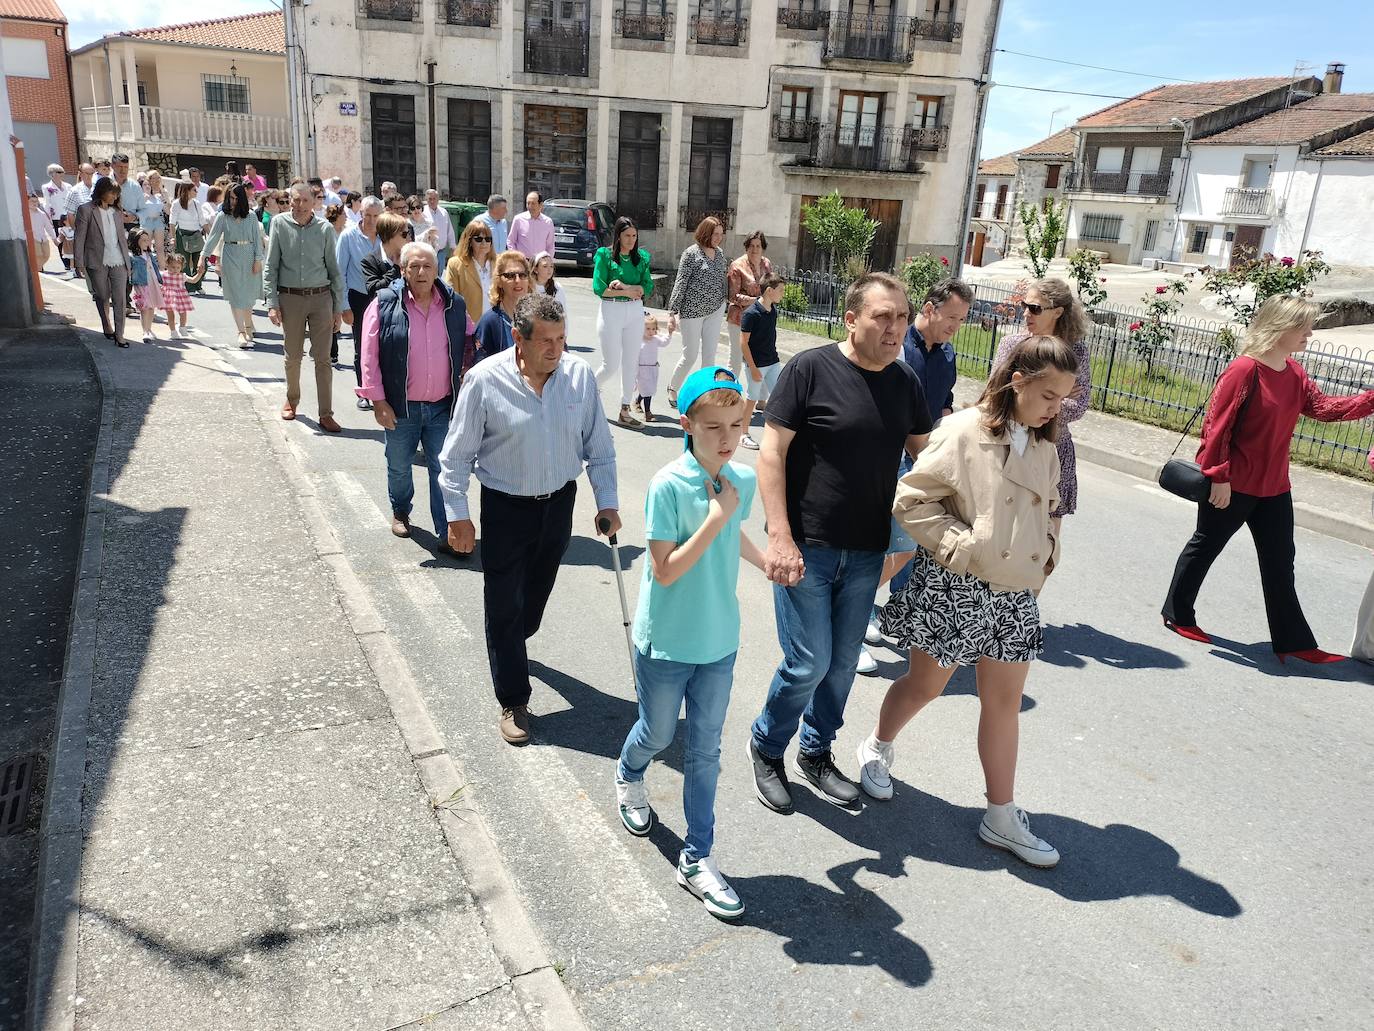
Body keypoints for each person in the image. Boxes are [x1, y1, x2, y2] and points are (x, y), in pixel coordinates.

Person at [862, 335, 1081, 869]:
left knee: (1004, 703)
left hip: (1016, 591)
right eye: (1049, 395)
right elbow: (912, 501)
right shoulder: (960, 430)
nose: (1058, 409)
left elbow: (1049, 510)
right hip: (957, 583)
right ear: (1018, 382)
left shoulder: (1046, 445)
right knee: (925, 685)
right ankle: (877, 744)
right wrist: (964, 548)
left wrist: (1046, 557)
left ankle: (1000, 814)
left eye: (1063, 398)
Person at [745, 272, 932, 813]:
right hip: (807, 544)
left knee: (844, 662)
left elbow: (927, 457)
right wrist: (778, 534)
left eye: (901, 316)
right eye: (882, 316)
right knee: (808, 660)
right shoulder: (810, 369)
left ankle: (816, 750)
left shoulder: (905, 383)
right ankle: (766, 745)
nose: (895, 326)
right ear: (852, 320)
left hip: (867, 550)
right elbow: (772, 453)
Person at [438, 292, 621, 745]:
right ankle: (514, 697)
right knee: (504, 603)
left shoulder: (578, 377)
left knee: (531, 604)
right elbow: (456, 457)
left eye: (561, 339)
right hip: (505, 507)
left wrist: (608, 504)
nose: (556, 350)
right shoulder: (484, 381)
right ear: (519, 339)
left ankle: (511, 643)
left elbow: (599, 449)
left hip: (558, 504)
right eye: (546, 341)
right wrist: (457, 516)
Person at [614, 365, 762, 920]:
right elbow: (667, 568)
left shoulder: (739, 481)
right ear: (687, 425)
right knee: (655, 732)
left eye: (735, 425)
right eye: (713, 428)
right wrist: (718, 514)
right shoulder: (667, 486)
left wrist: (761, 558)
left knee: (705, 752)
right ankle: (630, 773)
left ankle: (696, 857)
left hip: (719, 640)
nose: (726, 439)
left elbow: (731, 530)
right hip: (667, 642)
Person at [1161, 295, 1374, 664]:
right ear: (1280, 328)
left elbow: (1323, 409)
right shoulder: (1245, 370)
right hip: (1234, 484)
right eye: (1303, 326)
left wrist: (1370, 400)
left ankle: (1294, 642)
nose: (1310, 333)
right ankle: (1178, 613)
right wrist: (1219, 477)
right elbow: (1216, 428)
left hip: (1275, 487)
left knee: (1280, 561)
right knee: (1205, 548)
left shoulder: (1294, 373)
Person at [859, 277, 974, 674]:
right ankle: (854, 620)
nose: (955, 326)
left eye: (962, 319)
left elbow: (942, 403)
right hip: (892, 457)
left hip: (927, 458)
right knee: (887, 544)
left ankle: (880, 613)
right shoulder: (899, 350)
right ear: (928, 309)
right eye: (951, 317)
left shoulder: (947, 355)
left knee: (908, 547)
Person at [357, 241, 470, 547]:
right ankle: (400, 511)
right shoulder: (383, 303)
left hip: (441, 407)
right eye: (414, 266)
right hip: (400, 406)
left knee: (442, 468)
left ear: (437, 270)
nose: (421, 272)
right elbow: (369, 357)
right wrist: (378, 401)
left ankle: (446, 529)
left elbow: (472, 340)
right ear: (403, 270)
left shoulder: (453, 304)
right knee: (399, 464)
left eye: (427, 266)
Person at [993, 278, 1090, 532]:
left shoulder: (1076, 352)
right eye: (1025, 305)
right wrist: (1059, 395)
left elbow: (1079, 406)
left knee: (1046, 540)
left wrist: (1035, 397)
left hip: (1056, 447)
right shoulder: (1012, 345)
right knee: (1006, 532)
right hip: (1012, 446)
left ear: (1057, 312)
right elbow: (997, 394)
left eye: (1035, 308)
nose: (1026, 313)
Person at [264, 182, 346, 432]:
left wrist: (337, 308)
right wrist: (272, 303)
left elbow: (334, 270)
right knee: (293, 356)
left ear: (314, 203)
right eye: (294, 200)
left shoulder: (324, 229)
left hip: (321, 299)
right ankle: (292, 400)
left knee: (323, 359)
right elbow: (271, 267)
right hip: (290, 299)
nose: (298, 205)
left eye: (304, 201)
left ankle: (325, 413)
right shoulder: (279, 224)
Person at [593, 216, 654, 428]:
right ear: (618, 236)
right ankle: (586, 392)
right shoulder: (604, 255)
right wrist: (630, 291)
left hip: (635, 313)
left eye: (634, 236)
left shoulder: (642, 257)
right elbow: (600, 288)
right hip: (611, 311)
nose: (631, 240)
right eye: (627, 235)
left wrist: (625, 288)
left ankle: (625, 409)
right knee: (610, 365)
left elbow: (647, 286)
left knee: (631, 362)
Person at [665, 217, 729, 409]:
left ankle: (704, 395)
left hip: (715, 309)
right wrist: (672, 312)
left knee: (709, 357)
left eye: (720, 234)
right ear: (705, 233)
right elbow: (681, 282)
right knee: (690, 355)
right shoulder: (691, 254)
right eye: (715, 234)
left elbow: (722, 280)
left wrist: (726, 300)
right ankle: (673, 387)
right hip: (692, 311)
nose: (719, 238)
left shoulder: (720, 254)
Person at [200, 183, 266, 348]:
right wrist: (203, 256)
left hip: (249, 254)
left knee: (249, 295)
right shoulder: (223, 216)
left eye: (236, 198)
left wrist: (258, 259)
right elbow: (213, 237)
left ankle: (249, 324)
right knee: (236, 296)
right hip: (230, 255)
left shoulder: (251, 216)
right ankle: (241, 332)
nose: (233, 201)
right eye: (230, 198)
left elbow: (257, 240)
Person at [73, 177, 131, 346]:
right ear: (102, 191)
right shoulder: (86, 210)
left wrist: (128, 262)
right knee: (102, 295)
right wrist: (79, 262)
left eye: (116, 194)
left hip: (118, 259)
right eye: (112, 193)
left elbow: (121, 238)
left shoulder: (118, 212)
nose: (114, 196)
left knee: (120, 299)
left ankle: (119, 336)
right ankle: (107, 325)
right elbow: (80, 237)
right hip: (96, 260)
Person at [337, 196, 384, 404]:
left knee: (385, 346)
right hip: (359, 298)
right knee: (362, 346)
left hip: (383, 297)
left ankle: (382, 391)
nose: (372, 220)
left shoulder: (386, 236)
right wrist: (344, 306)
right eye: (368, 215)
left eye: (376, 216)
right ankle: (363, 391)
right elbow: (340, 273)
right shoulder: (348, 236)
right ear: (361, 214)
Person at [737, 273, 785, 451]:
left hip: (772, 362)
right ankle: (743, 434)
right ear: (770, 291)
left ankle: (778, 434)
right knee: (752, 398)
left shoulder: (773, 310)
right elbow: (743, 343)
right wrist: (753, 368)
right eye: (780, 290)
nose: (783, 294)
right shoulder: (751, 314)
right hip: (756, 365)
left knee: (780, 396)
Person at [726, 231, 772, 381]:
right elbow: (733, 296)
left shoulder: (766, 264)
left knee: (760, 359)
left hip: (760, 320)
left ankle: (759, 398)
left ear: (763, 247)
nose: (755, 249)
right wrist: (756, 300)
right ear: (746, 247)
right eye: (751, 246)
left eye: (758, 246)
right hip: (739, 318)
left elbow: (770, 287)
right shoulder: (737, 266)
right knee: (736, 360)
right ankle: (730, 393)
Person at [473, 251, 530, 362]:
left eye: (522, 275)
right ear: (499, 281)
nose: (517, 280)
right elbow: (480, 366)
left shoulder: (537, 318)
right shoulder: (489, 322)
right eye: (510, 276)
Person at [443, 219, 495, 318]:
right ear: (469, 241)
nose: (484, 243)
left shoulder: (498, 263)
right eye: (479, 239)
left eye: (488, 239)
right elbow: (452, 298)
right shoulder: (455, 264)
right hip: (470, 325)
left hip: (495, 326)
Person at [635, 313, 672, 422]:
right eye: (647, 329)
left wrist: (669, 333)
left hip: (653, 369)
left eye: (653, 329)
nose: (651, 331)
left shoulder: (655, 339)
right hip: (641, 370)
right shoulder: (638, 341)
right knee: (647, 390)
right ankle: (648, 413)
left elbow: (664, 342)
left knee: (649, 389)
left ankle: (637, 401)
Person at [170, 180, 206, 293]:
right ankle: (189, 287)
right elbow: (172, 222)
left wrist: (210, 234)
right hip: (182, 234)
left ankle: (198, 285)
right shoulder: (176, 203)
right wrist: (173, 238)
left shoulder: (196, 203)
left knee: (199, 260)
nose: (196, 191)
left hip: (196, 234)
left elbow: (202, 220)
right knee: (184, 262)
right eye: (194, 190)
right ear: (187, 191)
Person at [128, 228, 163, 342]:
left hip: (152, 281)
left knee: (152, 305)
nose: (146, 243)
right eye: (143, 240)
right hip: (141, 283)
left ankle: (149, 328)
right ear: (135, 241)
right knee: (144, 307)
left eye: (147, 240)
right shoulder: (132, 256)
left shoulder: (148, 254)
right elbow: (129, 270)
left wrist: (160, 280)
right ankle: (145, 331)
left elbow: (155, 267)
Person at [159, 252, 203, 338]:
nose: (175, 269)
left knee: (183, 313)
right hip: (168, 297)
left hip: (181, 297)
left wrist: (199, 273)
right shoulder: (163, 275)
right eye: (173, 267)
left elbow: (193, 280)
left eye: (178, 267)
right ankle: (173, 331)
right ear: (167, 265)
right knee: (170, 315)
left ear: (182, 267)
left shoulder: (182, 276)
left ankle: (182, 327)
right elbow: (155, 280)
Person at [41, 164, 72, 271]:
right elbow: (47, 203)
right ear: (52, 174)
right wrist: (48, 217)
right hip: (56, 217)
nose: (62, 174)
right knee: (61, 239)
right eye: (59, 172)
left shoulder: (68, 186)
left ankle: (74, 260)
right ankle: (66, 262)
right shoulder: (46, 187)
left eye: (62, 172)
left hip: (69, 216)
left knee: (71, 237)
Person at [508, 190, 554, 262]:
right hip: (522, 263)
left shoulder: (548, 222)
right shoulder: (518, 219)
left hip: (540, 263)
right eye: (528, 203)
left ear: (540, 205)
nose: (530, 206)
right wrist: (516, 258)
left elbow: (550, 246)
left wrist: (547, 262)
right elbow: (511, 241)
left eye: (533, 203)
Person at [138, 170, 169, 262]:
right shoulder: (142, 194)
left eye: (157, 178)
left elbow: (168, 211)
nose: (156, 180)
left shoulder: (161, 194)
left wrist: (163, 192)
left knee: (160, 248)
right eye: (153, 178)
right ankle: (147, 267)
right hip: (147, 221)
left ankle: (162, 270)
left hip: (158, 221)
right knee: (146, 246)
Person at [423, 189, 456, 268]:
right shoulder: (422, 212)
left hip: (441, 252)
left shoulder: (444, 212)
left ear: (438, 199)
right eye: (430, 199)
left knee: (439, 275)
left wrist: (453, 247)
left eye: (434, 199)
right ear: (426, 200)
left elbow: (449, 231)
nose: (432, 201)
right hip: (427, 252)